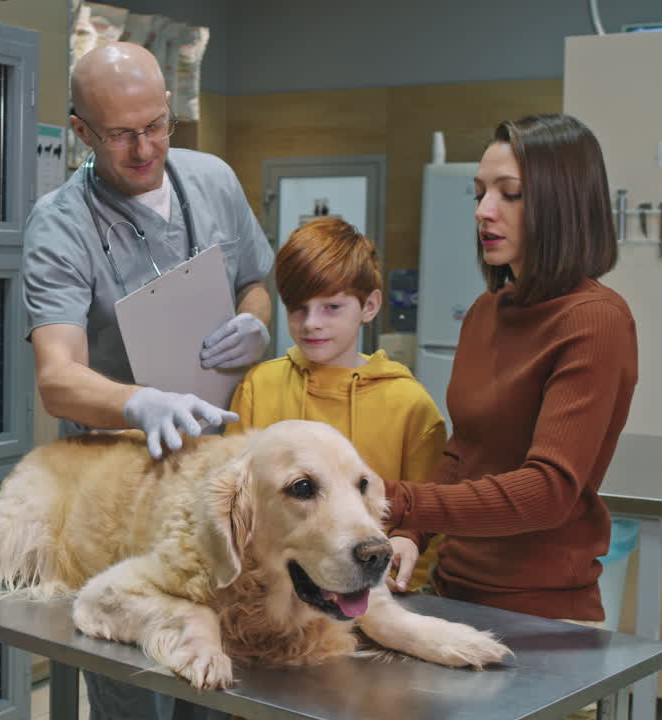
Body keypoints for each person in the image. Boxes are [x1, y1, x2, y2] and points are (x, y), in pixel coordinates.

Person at [20, 42, 274, 719]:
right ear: (81, 132)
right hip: (122, 494)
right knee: (131, 678)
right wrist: (139, 402)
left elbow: (255, 281)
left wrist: (255, 322)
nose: (144, 148)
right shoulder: (61, 227)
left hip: (215, 478)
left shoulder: (212, 179)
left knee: (220, 672)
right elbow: (58, 379)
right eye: (121, 135)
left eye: (157, 126)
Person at [385, 114, 637, 627]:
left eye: (510, 194)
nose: (483, 211)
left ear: (562, 204)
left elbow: (547, 493)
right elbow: (465, 448)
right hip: (453, 591)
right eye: (479, 193)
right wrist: (409, 533)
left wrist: (400, 500)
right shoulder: (486, 311)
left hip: (542, 616)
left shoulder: (595, 321)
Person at [226, 216, 447, 589]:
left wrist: (407, 544)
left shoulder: (411, 406)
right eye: (298, 308)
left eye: (331, 307)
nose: (311, 323)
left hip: (378, 595)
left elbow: (426, 523)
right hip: (276, 596)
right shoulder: (258, 388)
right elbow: (234, 506)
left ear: (370, 306)